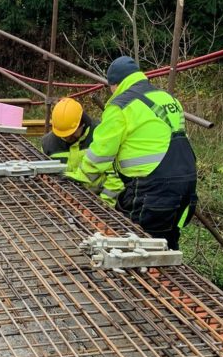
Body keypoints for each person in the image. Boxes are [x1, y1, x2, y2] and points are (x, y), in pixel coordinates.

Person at [68, 55, 197, 249]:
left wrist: (78, 178)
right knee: (167, 244)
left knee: (136, 247)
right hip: (187, 181)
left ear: (115, 84)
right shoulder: (168, 98)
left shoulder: (120, 106)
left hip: (152, 189)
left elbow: (100, 154)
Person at [43, 98, 122, 206]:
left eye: (71, 133)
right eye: (64, 135)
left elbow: (116, 177)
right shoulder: (48, 144)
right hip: (63, 201)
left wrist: (104, 204)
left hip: (97, 199)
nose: (67, 137)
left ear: (82, 123)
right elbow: (45, 178)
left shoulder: (102, 138)